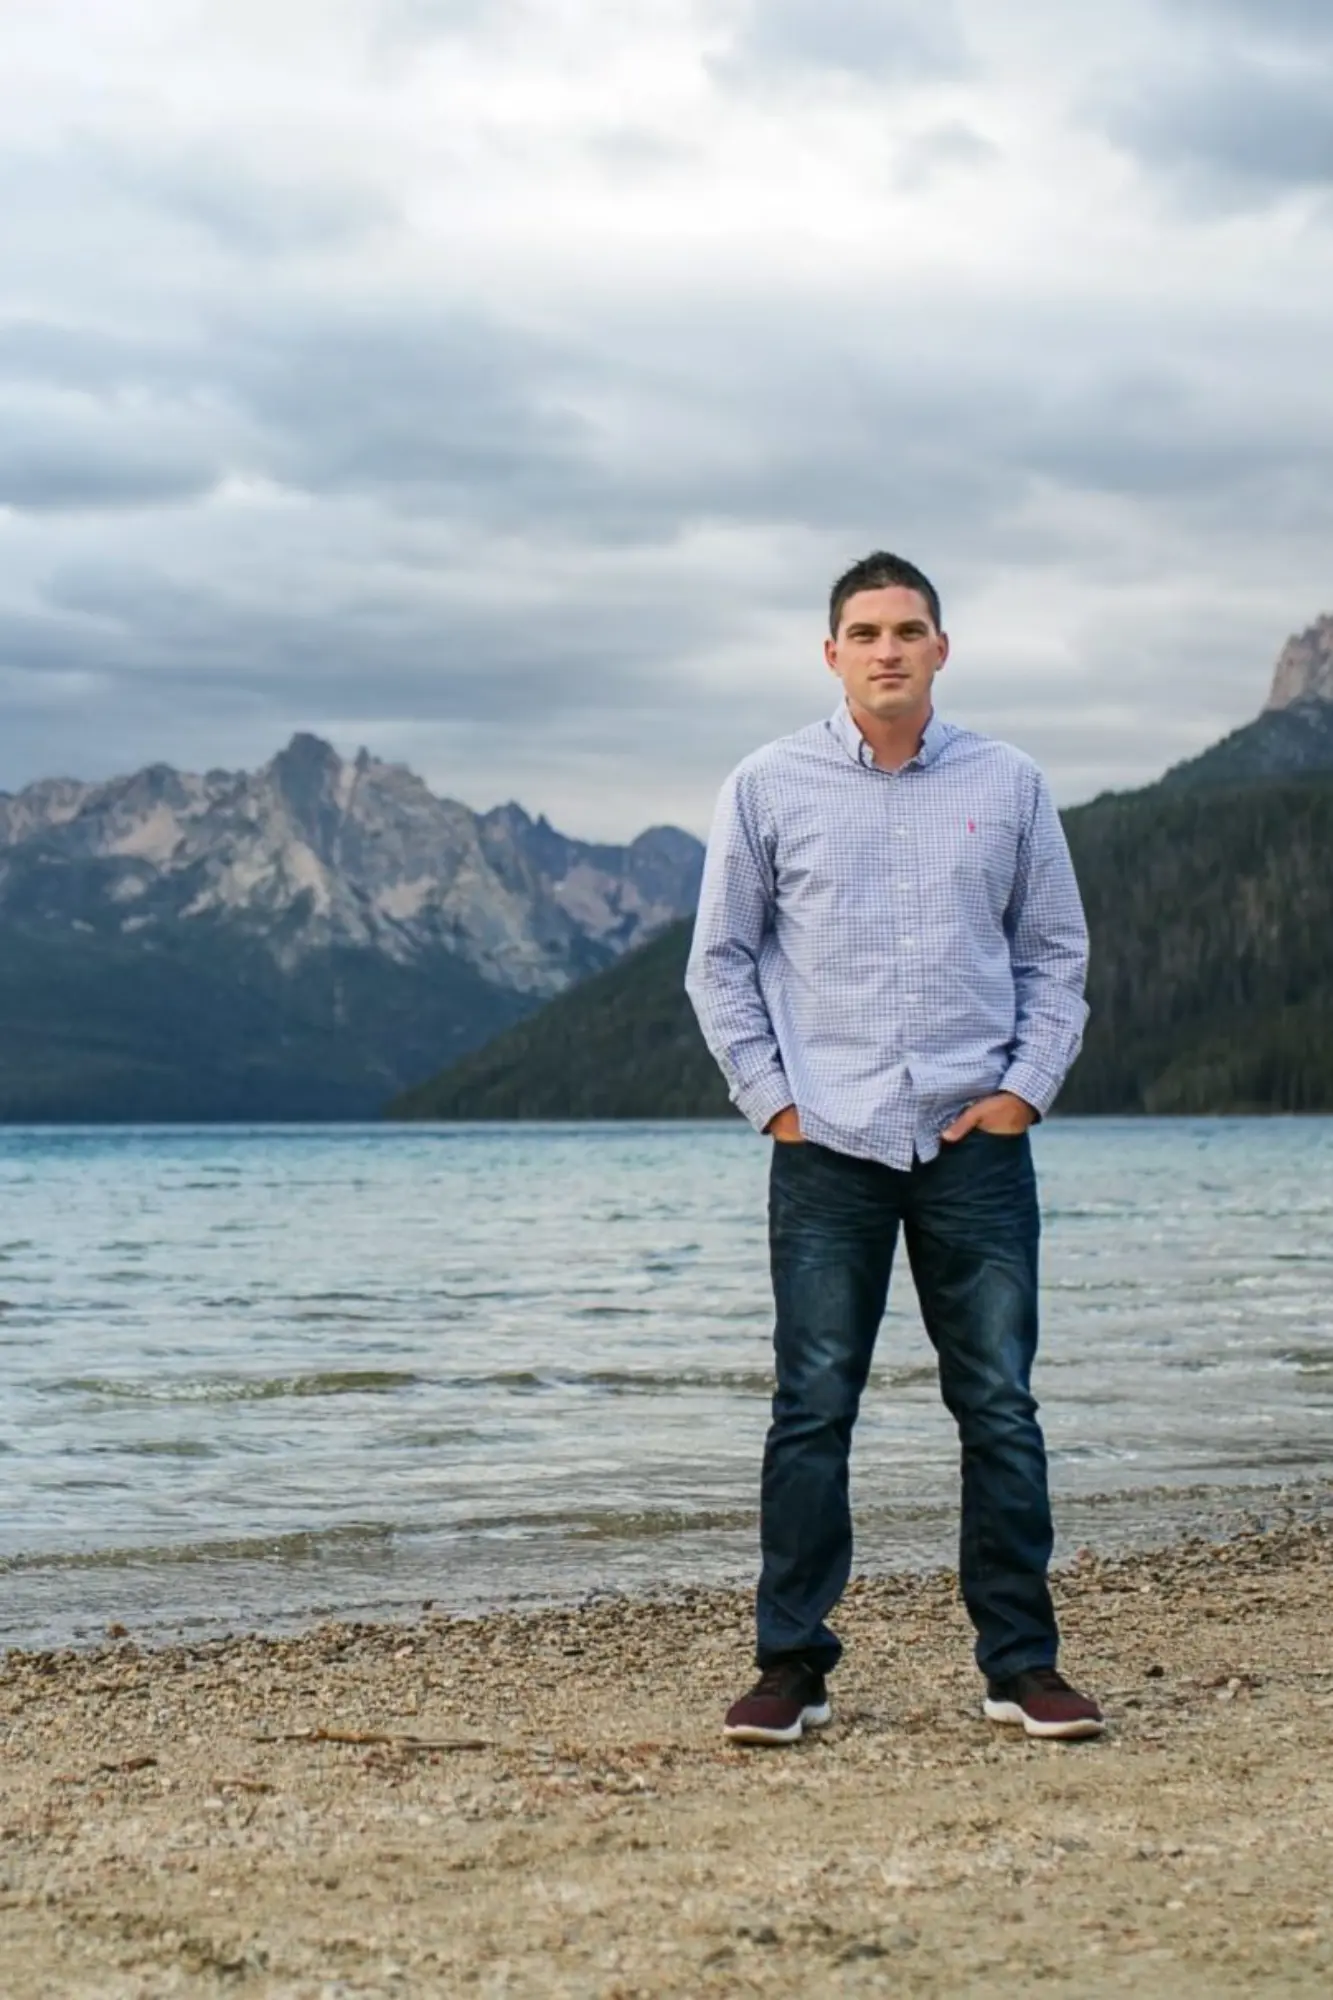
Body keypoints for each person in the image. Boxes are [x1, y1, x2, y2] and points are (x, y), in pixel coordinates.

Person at [685, 550, 1103, 1746]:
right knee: (812, 1407)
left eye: (908, 630)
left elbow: (1055, 956)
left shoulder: (1009, 783)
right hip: (826, 1143)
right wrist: (771, 1101)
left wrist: (1024, 1089)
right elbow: (719, 960)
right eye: (864, 631)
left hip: (975, 1141)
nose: (886, 650)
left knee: (1000, 1406)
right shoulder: (767, 785)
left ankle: (1021, 1662)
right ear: (831, 654)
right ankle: (791, 1666)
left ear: (940, 649)